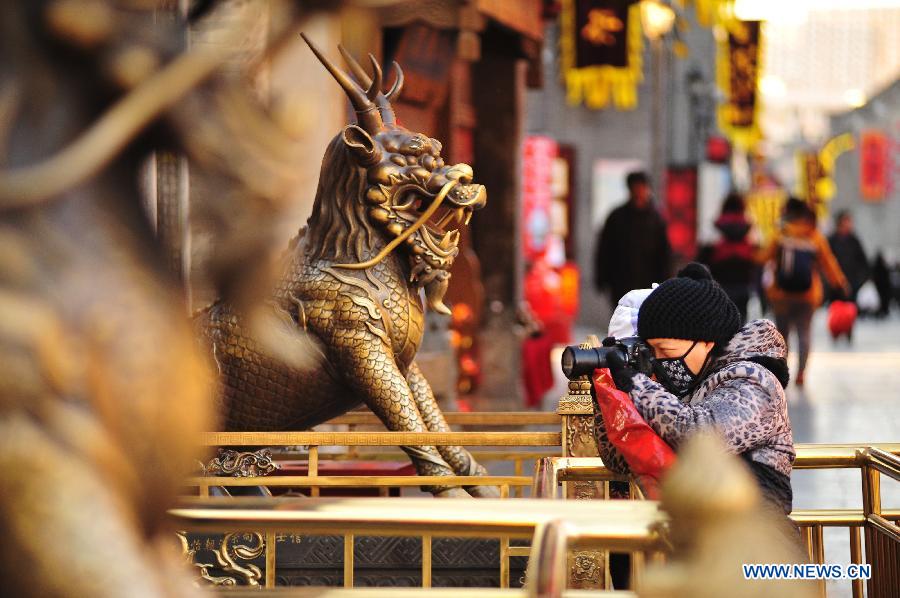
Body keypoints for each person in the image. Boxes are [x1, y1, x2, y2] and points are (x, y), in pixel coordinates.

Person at [600, 263, 795, 515]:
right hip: (695, 535)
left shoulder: (756, 381)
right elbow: (619, 458)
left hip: (756, 536)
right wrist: (612, 394)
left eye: (666, 351)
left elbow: (698, 437)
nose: (659, 361)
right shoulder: (683, 384)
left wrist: (637, 384)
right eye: (652, 351)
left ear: (707, 342)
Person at [760, 198, 849, 386]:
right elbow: (828, 263)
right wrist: (840, 283)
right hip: (807, 296)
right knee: (804, 333)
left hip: (782, 295)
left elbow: (763, 257)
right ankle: (801, 373)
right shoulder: (814, 235)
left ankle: (781, 371)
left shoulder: (781, 233)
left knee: (782, 335)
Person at [594, 171, 672, 304]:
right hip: (621, 282)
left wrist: (664, 282)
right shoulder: (617, 217)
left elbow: (664, 253)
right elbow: (605, 249)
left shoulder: (656, 219)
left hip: (648, 283)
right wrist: (602, 278)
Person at [697, 192, 757, 323]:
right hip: (743, 284)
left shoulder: (715, 228)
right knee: (741, 321)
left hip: (720, 284)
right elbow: (756, 259)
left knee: (722, 322)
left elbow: (702, 258)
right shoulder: (750, 228)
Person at [827, 210, 870, 302]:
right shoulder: (831, 241)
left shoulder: (854, 241)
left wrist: (858, 282)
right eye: (847, 221)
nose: (850, 224)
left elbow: (863, 263)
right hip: (835, 287)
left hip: (853, 286)